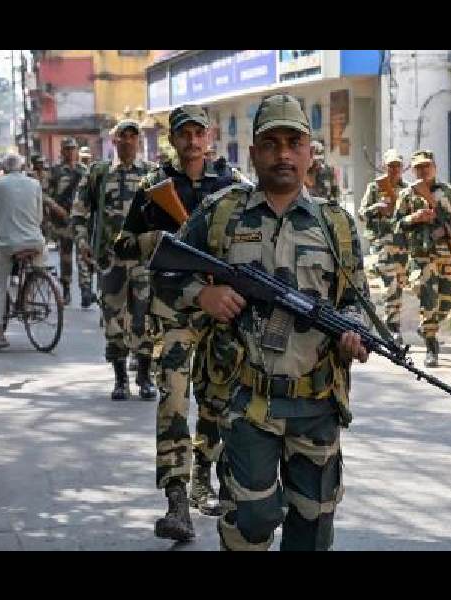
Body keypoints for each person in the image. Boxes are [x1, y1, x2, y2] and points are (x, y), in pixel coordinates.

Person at [155, 94, 369, 550]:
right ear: (253, 153)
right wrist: (205, 294)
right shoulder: (222, 213)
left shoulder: (337, 226)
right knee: (252, 520)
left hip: (316, 403)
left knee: (312, 529)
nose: (284, 154)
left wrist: (353, 330)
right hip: (246, 399)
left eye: (294, 142)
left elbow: (355, 300)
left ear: (312, 151)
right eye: (271, 144)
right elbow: (165, 273)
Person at [117, 104, 248, 535]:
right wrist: (158, 239)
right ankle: (176, 499)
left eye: (198, 133)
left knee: (216, 400)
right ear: (172, 139)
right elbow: (122, 247)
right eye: (183, 134)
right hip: (174, 311)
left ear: (209, 136)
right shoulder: (154, 187)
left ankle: (201, 477)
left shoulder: (232, 187)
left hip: (222, 314)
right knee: (173, 399)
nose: (192, 142)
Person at [72, 119, 158, 401]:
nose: (129, 142)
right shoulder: (99, 173)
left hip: (144, 261)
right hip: (111, 261)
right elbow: (80, 211)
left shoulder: (151, 173)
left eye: (134, 137)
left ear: (139, 142)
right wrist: (83, 241)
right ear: (115, 141)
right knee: (113, 320)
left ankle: (144, 377)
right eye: (124, 137)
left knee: (144, 317)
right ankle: (120, 379)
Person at [393, 150, 451, 368]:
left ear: (435, 167)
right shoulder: (407, 195)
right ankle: (432, 346)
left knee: (448, 301)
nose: (423, 170)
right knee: (429, 301)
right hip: (422, 258)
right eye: (419, 167)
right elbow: (396, 225)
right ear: (413, 170)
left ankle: (427, 328)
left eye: (427, 166)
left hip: (447, 255)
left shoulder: (448, 191)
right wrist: (415, 218)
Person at [0, 153, 47, 351]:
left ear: (4, 168)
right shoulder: (34, 184)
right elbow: (39, 216)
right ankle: (30, 292)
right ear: (23, 167)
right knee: (38, 269)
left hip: (7, 243)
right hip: (35, 241)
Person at [357, 148, 409, 343]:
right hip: (382, 244)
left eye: (397, 166)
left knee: (399, 284)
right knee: (391, 283)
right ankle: (392, 327)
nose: (394, 169)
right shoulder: (374, 188)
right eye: (391, 166)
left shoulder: (407, 190)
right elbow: (362, 214)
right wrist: (376, 208)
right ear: (384, 167)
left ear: (402, 168)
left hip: (402, 245)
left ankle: (390, 323)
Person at [45, 138, 89, 306]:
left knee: (83, 253)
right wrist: (58, 209)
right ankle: (66, 288)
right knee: (66, 256)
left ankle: (85, 289)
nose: (71, 152)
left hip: (81, 219)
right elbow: (45, 195)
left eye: (73, 149)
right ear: (62, 152)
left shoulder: (84, 170)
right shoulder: (55, 172)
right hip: (63, 220)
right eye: (67, 149)